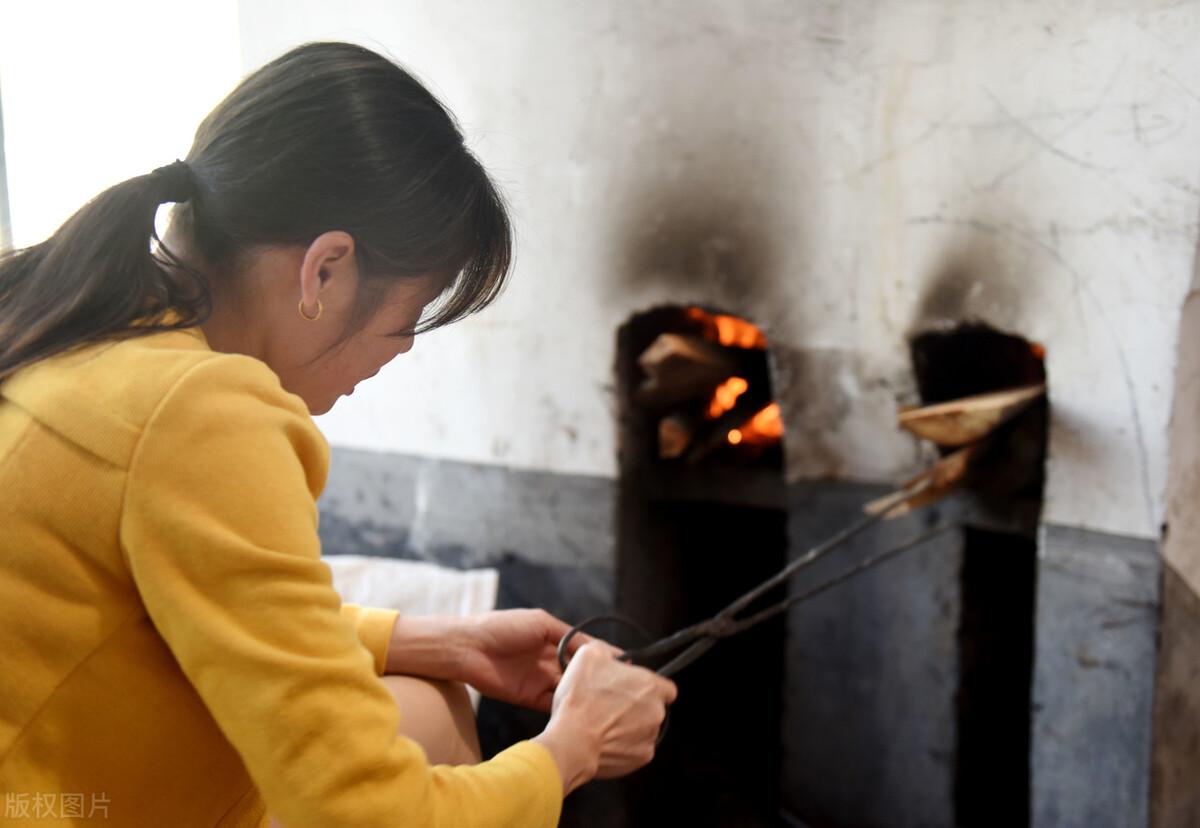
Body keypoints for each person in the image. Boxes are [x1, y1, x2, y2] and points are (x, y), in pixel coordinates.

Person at [0, 41, 675, 827]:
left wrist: (433, 639)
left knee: (425, 696)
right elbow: (367, 811)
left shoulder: (68, 324)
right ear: (324, 271)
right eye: (409, 318)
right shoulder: (200, 410)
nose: (406, 348)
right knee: (433, 724)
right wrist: (573, 747)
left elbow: (165, 616)